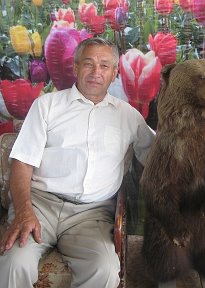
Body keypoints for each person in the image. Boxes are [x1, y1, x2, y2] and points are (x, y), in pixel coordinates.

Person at [0, 37, 155, 288]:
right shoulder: (47, 106)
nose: (96, 72)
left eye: (105, 66)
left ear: (115, 73)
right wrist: (24, 210)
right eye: (89, 63)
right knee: (13, 263)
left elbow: (158, 157)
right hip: (39, 205)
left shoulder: (128, 116)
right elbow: (22, 162)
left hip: (92, 214)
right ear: (75, 67)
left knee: (104, 269)